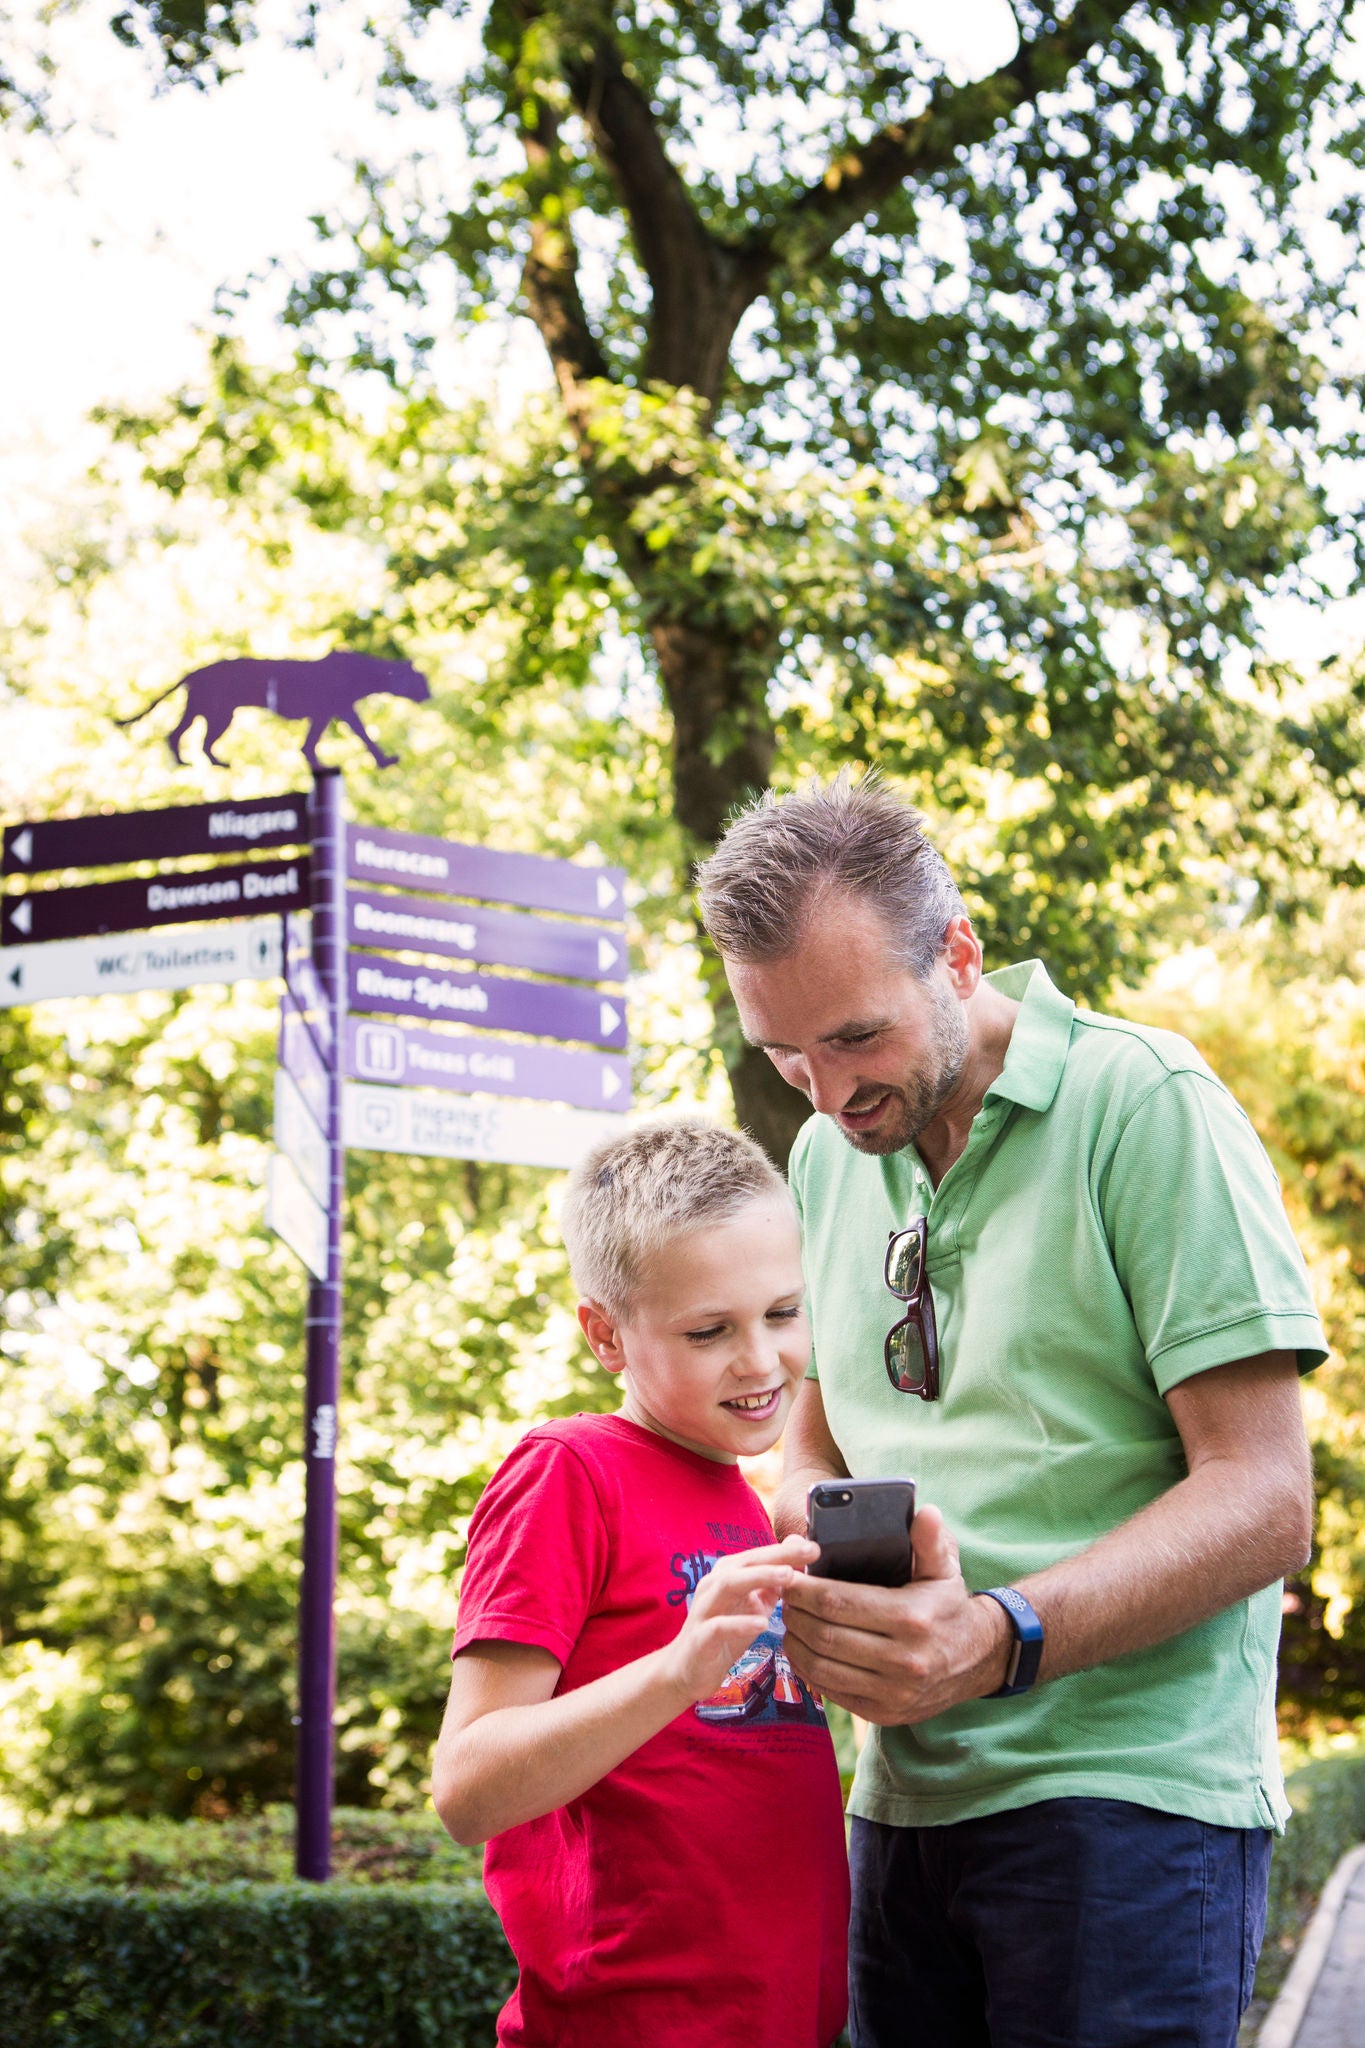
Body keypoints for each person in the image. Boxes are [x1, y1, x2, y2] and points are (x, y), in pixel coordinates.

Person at [697, 772, 1326, 2048]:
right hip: (902, 1805)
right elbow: (811, 1440)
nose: (824, 1093)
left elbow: (1266, 1499)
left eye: (856, 1038)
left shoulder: (1143, 1105)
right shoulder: (830, 1158)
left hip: (1130, 1805)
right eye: (785, 1054)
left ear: (960, 955)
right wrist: (834, 1587)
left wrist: (995, 1636)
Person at [431, 1118, 850, 2048]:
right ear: (604, 1335)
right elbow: (466, 1788)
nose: (759, 1359)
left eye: (783, 1313)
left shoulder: (751, 1503)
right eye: (709, 1331)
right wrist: (675, 1672)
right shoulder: (568, 1473)